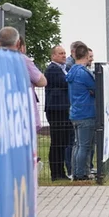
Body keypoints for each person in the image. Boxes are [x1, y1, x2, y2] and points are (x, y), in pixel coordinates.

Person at [66, 42, 96, 181]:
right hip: (86, 112)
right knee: (84, 145)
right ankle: (80, 173)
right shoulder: (83, 72)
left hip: (75, 112)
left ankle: (77, 171)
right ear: (84, 55)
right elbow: (95, 88)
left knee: (77, 145)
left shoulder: (72, 70)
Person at [44, 45, 72, 180]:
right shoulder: (52, 70)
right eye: (60, 53)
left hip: (65, 109)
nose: (64, 55)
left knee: (63, 142)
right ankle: (55, 173)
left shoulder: (65, 69)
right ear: (53, 56)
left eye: (64, 53)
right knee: (57, 142)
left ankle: (61, 172)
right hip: (56, 110)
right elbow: (66, 83)